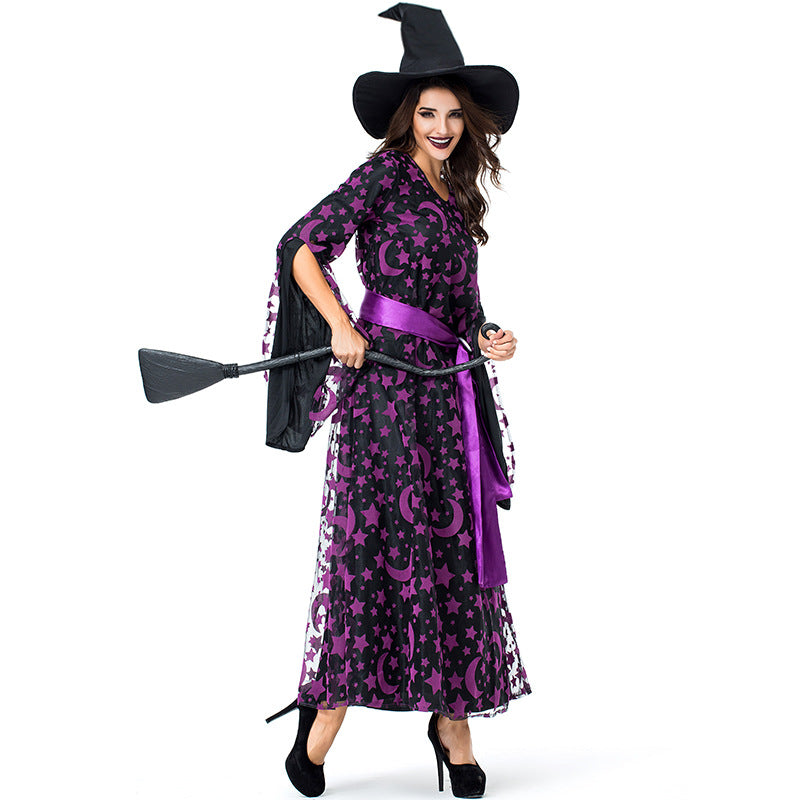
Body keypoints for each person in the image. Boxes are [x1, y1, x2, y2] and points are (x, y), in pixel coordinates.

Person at [262, 5, 532, 797]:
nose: (442, 128)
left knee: (450, 551)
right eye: (428, 114)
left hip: (445, 395)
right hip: (382, 390)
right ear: (407, 116)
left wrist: (486, 335)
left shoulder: (456, 195)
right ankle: (321, 725)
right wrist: (342, 326)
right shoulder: (382, 176)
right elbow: (300, 245)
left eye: (453, 115)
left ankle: (452, 725)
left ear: (468, 121)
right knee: (375, 552)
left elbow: (462, 305)